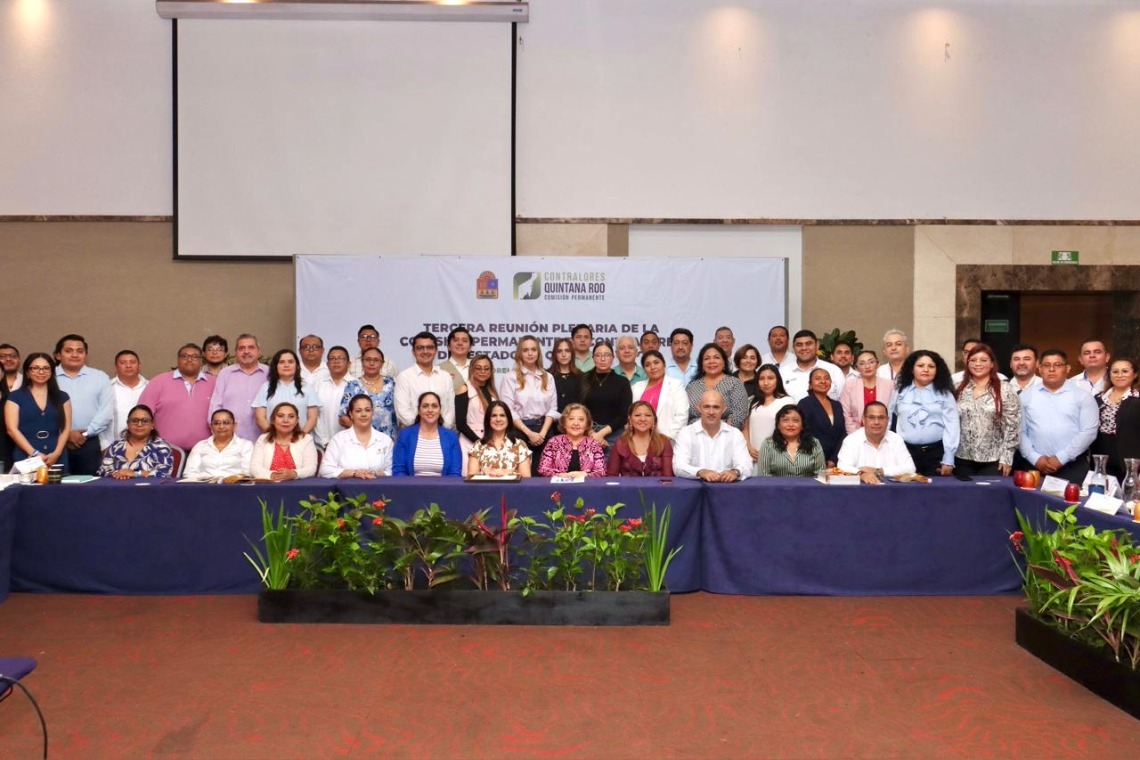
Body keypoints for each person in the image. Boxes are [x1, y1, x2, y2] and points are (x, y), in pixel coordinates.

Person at [1020, 349, 1099, 484]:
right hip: (1035, 466)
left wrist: (1061, 458)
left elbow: (1088, 432)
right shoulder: (1025, 396)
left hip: (1072, 466)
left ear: (1067, 368)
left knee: (1073, 498)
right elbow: (1019, 431)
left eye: (1057, 365)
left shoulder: (1083, 396)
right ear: (1039, 369)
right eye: (1046, 365)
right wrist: (1035, 458)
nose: (1051, 369)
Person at [889, 350, 960, 477]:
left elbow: (952, 427)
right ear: (912, 369)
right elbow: (890, 420)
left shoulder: (945, 394)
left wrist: (948, 458)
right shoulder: (900, 392)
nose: (926, 370)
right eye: (920, 366)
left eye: (931, 366)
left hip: (936, 453)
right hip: (905, 452)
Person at [954, 344, 1021, 476]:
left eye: (983, 360)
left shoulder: (1005, 389)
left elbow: (1013, 426)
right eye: (973, 360)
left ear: (992, 364)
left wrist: (1007, 457)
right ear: (967, 363)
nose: (977, 364)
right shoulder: (958, 388)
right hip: (962, 457)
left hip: (994, 459)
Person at [138, 343, 216, 452]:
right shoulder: (158, 382)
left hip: (206, 452)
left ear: (201, 360)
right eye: (184, 356)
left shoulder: (214, 383)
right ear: (178, 360)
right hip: (166, 451)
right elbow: (142, 415)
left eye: (194, 357)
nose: (189, 360)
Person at [53, 334, 112, 475]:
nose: (75, 355)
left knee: (90, 485)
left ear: (86, 355)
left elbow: (106, 412)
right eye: (68, 351)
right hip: (55, 441)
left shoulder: (100, 377)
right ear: (58, 355)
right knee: (54, 485)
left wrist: (85, 433)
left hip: (88, 442)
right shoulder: (48, 377)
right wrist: (66, 435)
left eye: (80, 351)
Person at [4, 353, 71, 469]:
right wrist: (35, 454)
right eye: (35, 368)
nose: (41, 372)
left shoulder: (62, 397)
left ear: (52, 371)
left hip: (56, 455)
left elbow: (65, 428)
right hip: (26, 456)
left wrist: (57, 453)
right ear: (27, 372)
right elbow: (12, 430)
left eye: (46, 368)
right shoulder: (15, 397)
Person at [673, 391, 752, 482]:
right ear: (699, 408)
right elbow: (678, 466)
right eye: (706, 407)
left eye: (716, 407)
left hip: (727, 487)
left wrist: (736, 472)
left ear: (724, 409)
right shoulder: (685, 433)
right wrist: (700, 472)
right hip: (695, 489)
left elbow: (746, 464)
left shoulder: (735, 434)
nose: (711, 412)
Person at [499, 336, 557, 455]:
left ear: (538, 352)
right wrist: (529, 433)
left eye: (533, 349)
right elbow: (508, 410)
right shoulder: (510, 377)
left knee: (545, 467)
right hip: (520, 431)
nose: (530, 353)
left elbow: (553, 409)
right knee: (522, 467)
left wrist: (542, 434)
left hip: (544, 432)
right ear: (519, 353)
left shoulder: (548, 377)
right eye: (525, 350)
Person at [836, 402, 916, 484]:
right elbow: (842, 467)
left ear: (887, 420)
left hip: (892, 490)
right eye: (871, 417)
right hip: (861, 490)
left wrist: (879, 471)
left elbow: (910, 468)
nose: (876, 422)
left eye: (881, 418)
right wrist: (861, 474)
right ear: (863, 420)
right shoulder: (851, 440)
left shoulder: (896, 439)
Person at [210, 334, 269, 444]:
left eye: (251, 347)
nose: (246, 351)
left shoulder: (269, 373)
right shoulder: (225, 374)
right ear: (236, 352)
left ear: (259, 351)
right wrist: (217, 435)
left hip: (264, 440)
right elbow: (216, 405)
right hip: (231, 442)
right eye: (241, 348)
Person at [319, 394, 394, 478]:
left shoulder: (385, 440)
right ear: (351, 414)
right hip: (346, 486)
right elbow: (325, 469)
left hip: (379, 486)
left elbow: (391, 470)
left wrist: (373, 473)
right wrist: (355, 473)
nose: (363, 414)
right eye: (358, 411)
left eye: (367, 410)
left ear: (372, 413)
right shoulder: (338, 439)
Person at [394, 331, 456, 429]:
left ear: (436, 351)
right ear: (413, 352)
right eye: (420, 348)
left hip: (442, 432)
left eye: (430, 347)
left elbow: (451, 408)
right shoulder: (404, 377)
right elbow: (402, 411)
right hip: (414, 433)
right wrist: (423, 431)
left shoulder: (445, 376)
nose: (425, 351)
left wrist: (442, 428)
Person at [392, 392, 463, 476]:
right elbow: (399, 471)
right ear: (419, 410)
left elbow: (455, 473)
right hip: (410, 484)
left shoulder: (451, 437)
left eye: (434, 406)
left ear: (440, 410)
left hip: (443, 485)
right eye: (425, 406)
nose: (430, 410)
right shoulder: (405, 435)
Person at [97, 404, 174, 479]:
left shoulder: (161, 447)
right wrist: (118, 474)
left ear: (152, 425)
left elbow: (164, 473)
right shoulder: (115, 446)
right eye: (134, 421)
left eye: (145, 421)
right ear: (128, 424)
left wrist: (135, 474)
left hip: (149, 487)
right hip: (117, 487)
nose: (139, 424)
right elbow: (103, 471)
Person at [579, 341, 633, 449]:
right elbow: (578, 409)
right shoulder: (583, 379)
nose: (602, 359)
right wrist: (592, 433)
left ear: (613, 358)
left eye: (607, 355)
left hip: (614, 433)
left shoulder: (622, 382)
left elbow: (624, 414)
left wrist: (601, 434)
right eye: (598, 355)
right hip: (587, 433)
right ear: (593, 358)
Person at [1091, 358, 1138, 479]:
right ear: (1109, 375)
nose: (1120, 375)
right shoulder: (1098, 398)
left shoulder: (1137, 400)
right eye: (1115, 372)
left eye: (1125, 371)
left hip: (1129, 462)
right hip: (1099, 458)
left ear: (1135, 375)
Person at [253, 349, 318, 436]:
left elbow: (313, 418)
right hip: (273, 439)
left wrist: (300, 437)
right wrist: (274, 437)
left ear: (296, 366)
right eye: (282, 362)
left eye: (290, 362)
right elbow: (260, 417)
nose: (286, 365)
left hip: (301, 439)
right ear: (276, 366)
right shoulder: (266, 387)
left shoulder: (307, 387)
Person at [685, 343, 749, 429]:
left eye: (716, 357)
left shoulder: (734, 383)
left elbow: (739, 415)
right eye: (707, 358)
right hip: (694, 434)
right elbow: (685, 416)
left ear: (724, 363)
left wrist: (718, 431)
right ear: (702, 364)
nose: (712, 361)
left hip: (727, 434)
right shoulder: (692, 386)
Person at [250, 402, 318, 481]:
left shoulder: (306, 439)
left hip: (297, 486)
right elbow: (254, 468)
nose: (286, 420)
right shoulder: (263, 439)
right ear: (273, 420)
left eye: (291, 416)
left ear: (297, 421)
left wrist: (294, 474)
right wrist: (272, 475)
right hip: (270, 485)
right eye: (280, 416)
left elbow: (311, 468)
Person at [630, 350, 689, 441]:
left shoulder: (676, 385)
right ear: (644, 369)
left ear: (664, 364)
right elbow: (631, 415)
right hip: (640, 439)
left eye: (656, 362)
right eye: (648, 365)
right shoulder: (636, 387)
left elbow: (682, 415)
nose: (653, 367)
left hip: (667, 439)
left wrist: (665, 438)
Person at [339, 347, 397, 439]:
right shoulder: (353, 386)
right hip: (360, 439)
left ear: (382, 364)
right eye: (368, 359)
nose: (371, 363)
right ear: (362, 362)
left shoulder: (392, 384)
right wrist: (363, 432)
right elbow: (343, 417)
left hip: (389, 439)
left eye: (376, 360)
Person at [606, 400, 674, 477]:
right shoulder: (620, 443)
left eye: (648, 415)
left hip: (658, 485)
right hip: (628, 485)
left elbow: (668, 477)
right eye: (637, 415)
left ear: (654, 420)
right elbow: (611, 476)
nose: (643, 419)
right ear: (630, 420)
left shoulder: (663, 442)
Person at [537, 402, 607, 478]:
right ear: (564, 423)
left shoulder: (594, 444)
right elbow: (543, 469)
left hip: (587, 484)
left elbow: (601, 471)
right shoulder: (554, 442)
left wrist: (585, 475)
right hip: (558, 484)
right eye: (571, 419)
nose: (576, 423)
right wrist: (560, 475)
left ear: (587, 424)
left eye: (581, 419)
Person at [744, 364, 797, 461]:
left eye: (770, 378)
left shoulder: (787, 401)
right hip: (752, 456)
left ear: (778, 380)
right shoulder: (751, 400)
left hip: (778, 457)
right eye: (762, 379)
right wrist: (748, 446)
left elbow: (791, 430)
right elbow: (745, 427)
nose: (766, 383)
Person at [182, 409, 254, 480]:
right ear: (211, 426)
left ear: (234, 425)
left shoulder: (245, 445)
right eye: (216, 423)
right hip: (204, 485)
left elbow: (247, 473)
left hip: (234, 485)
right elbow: (189, 473)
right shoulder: (200, 446)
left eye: (226, 423)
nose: (221, 427)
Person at [756, 405, 827, 477]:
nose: (790, 424)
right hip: (775, 485)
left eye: (795, 420)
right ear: (778, 425)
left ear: (802, 425)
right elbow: (763, 476)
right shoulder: (768, 444)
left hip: (808, 485)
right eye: (785, 420)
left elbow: (821, 476)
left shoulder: (814, 443)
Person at [99, 349, 149, 452]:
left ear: (139, 366)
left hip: (147, 449)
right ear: (116, 367)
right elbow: (98, 419)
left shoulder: (151, 387)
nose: (128, 366)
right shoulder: (106, 388)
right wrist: (104, 446)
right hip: (112, 449)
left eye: (132, 362)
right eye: (123, 363)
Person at [468, 400, 532, 478]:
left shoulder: (519, 445)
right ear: (488, 419)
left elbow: (526, 477)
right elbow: (471, 476)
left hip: (511, 486)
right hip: (485, 486)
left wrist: (503, 472)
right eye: (494, 415)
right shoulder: (478, 445)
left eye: (502, 415)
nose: (498, 419)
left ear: (508, 419)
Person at [797, 368, 846, 467]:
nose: (823, 381)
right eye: (818, 378)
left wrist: (834, 459)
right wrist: (819, 458)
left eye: (826, 378)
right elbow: (802, 433)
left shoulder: (837, 405)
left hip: (837, 460)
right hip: (811, 459)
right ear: (810, 384)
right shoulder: (805, 404)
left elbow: (842, 433)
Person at [780, 330, 845, 402]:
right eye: (799, 345)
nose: (804, 348)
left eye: (808, 344)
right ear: (793, 348)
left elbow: (844, 402)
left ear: (817, 345)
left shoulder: (833, 370)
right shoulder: (782, 372)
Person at [839, 350, 894, 433]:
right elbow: (846, 415)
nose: (867, 366)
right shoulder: (850, 386)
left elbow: (891, 413)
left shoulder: (889, 385)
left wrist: (883, 433)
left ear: (878, 364)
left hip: (884, 432)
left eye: (871, 362)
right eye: (862, 363)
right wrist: (856, 435)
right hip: (856, 433)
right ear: (856, 368)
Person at [313, 346, 353, 448]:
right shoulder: (318, 385)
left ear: (349, 364)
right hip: (321, 444)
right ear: (327, 364)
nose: (336, 361)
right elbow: (313, 415)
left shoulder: (356, 386)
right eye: (332, 358)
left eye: (341, 358)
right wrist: (324, 441)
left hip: (350, 445)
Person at [456, 354, 499, 447]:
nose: (483, 371)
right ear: (472, 370)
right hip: (470, 442)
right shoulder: (464, 388)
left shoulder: (492, 391)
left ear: (491, 371)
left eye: (486, 368)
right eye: (478, 368)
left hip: (491, 440)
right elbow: (460, 424)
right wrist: (480, 442)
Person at [549, 337, 582, 412]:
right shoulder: (547, 376)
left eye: (567, 351)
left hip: (575, 418)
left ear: (572, 353)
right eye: (559, 351)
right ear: (555, 354)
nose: (563, 355)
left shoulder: (581, 376)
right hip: (552, 418)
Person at [440, 326, 473, 394]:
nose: (460, 343)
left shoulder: (479, 368)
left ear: (470, 347)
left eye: (464, 340)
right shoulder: (439, 369)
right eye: (455, 340)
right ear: (448, 346)